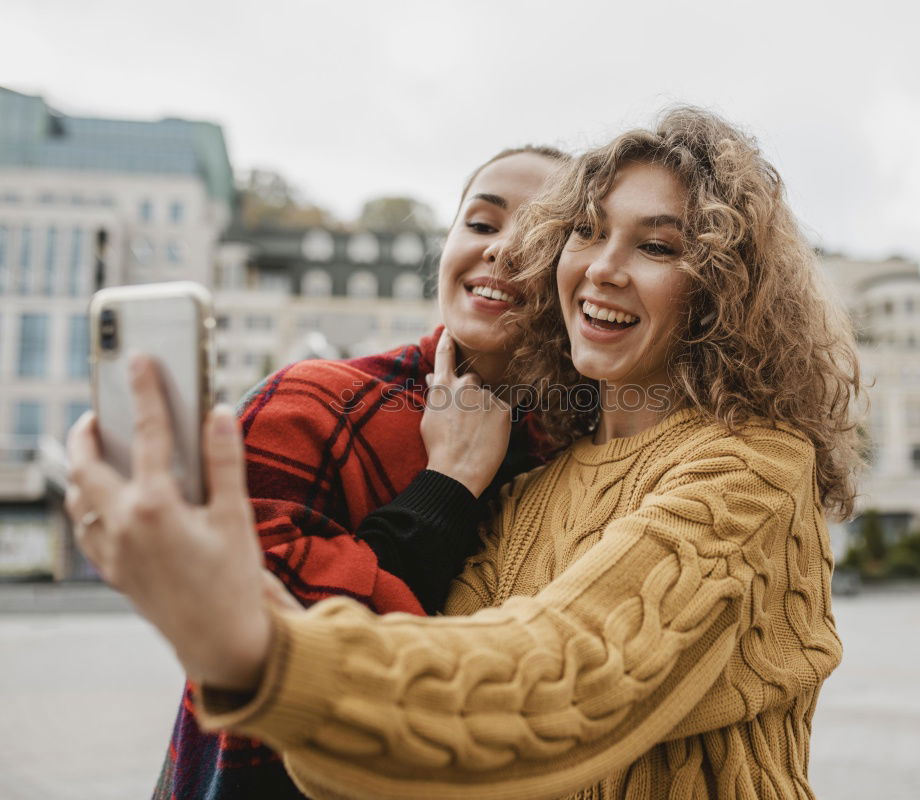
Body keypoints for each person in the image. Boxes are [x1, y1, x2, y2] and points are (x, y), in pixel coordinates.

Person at [67, 106, 863, 800]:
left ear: (722, 287)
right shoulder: (529, 485)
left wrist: (255, 647)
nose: (602, 268)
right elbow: (435, 702)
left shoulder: (753, 464)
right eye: (586, 233)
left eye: (656, 246)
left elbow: (562, 675)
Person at [141, 144, 567, 799]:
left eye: (542, 235)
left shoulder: (572, 452)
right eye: (481, 224)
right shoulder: (309, 403)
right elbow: (288, 653)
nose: (503, 250)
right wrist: (447, 485)